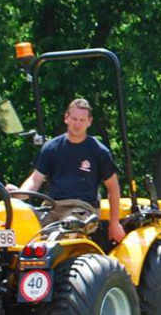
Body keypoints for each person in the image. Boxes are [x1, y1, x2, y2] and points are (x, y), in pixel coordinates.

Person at [17, 97, 125, 244]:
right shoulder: (51, 148)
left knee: (67, 227)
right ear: (66, 118)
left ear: (89, 122)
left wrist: (114, 223)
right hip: (52, 207)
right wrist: (18, 196)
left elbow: (113, 188)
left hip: (81, 209)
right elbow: (35, 179)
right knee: (21, 222)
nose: (77, 124)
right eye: (74, 119)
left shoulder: (99, 151)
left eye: (82, 120)